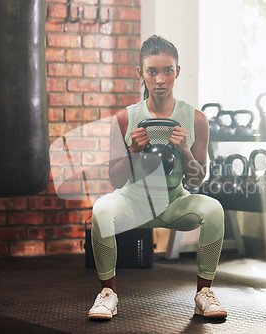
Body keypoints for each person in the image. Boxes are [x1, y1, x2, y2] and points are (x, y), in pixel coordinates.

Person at [88, 35, 227, 320]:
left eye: (167, 71)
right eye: (152, 71)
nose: (160, 79)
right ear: (141, 73)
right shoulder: (124, 119)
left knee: (213, 209)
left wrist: (184, 150)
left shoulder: (196, 119)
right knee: (101, 209)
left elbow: (198, 180)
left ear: (177, 71)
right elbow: (115, 180)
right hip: (132, 201)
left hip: (174, 201)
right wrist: (132, 150)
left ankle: (204, 294)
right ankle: (107, 295)